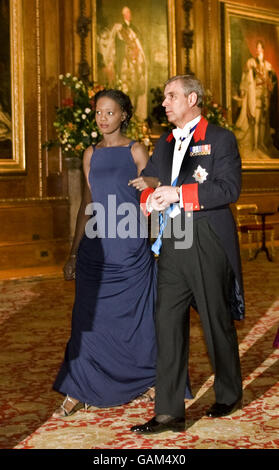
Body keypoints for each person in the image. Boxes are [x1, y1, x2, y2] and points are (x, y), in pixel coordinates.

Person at [130, 75, 245, 434]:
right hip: (173, 239)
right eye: (164, 96)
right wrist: (150, 198)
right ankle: (168, 412)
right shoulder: (164, 142)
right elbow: (148, 181)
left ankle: (228, 392)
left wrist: (177, 194)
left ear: (192, 98)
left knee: (215, 320)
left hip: (207, 235)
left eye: (171, 96)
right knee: (166, 322)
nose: (164, 103)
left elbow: (228, 188)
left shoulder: (221, 138)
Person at [52, 89, 158, 417]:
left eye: (109, 113)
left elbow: (155, 194)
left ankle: (150, 378)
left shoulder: (136, 150)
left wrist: (156, 242)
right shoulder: (90, 154)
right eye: (98, 112)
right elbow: (87, 203)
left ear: (123, 115)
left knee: (138, 321)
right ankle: (78, 389)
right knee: (87, 320)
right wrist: (73, 252)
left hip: (130, 249)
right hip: (96, 249)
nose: (102, 118)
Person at [97, 6, 147, 119]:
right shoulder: (120, 29)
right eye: (126, 13)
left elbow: (137, 47)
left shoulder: (134, 30)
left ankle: (134, 117)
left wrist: (137, 56)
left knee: (135, 91)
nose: (129, 15)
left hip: (134, 66)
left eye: (129, 13)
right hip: (125, 66)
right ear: (123, 15)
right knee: (125, 90)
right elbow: (116, 47)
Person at [234, 40, 278, 156]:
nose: (258, 50)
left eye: (260, 48)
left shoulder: (267, 65)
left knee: (263, 122)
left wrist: (270, 81)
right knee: (256, 122)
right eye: (257, 48)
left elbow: (272, 80)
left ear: (263, 50)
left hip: (265, 97)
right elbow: (246, 76)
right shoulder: (251, 62)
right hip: (254, 96)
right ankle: (255, 145)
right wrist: (244, 90)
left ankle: (261, 143)